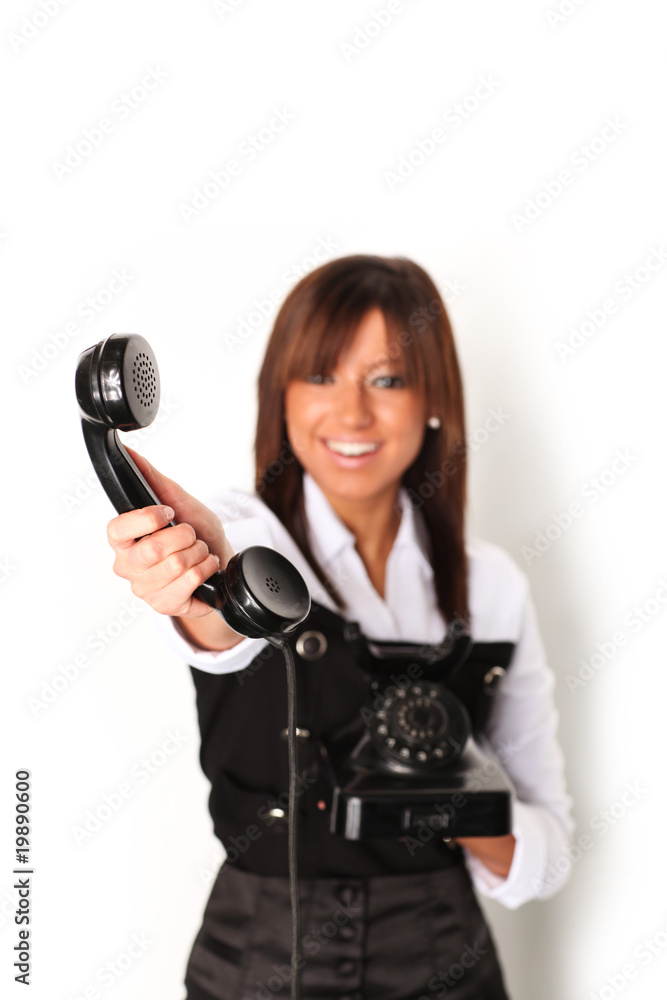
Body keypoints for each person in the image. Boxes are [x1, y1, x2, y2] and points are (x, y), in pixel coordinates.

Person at [106, 254, 574, 1000]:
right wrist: (206, 590)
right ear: (281, 396)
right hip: (260, 962)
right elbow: (217, 631)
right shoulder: (246, 539)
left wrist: (446, 794)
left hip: (446, 960)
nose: (352, 413)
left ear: (434, 399)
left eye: (386, 380)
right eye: (321, 375)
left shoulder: (491, 586)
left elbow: (547, 854)